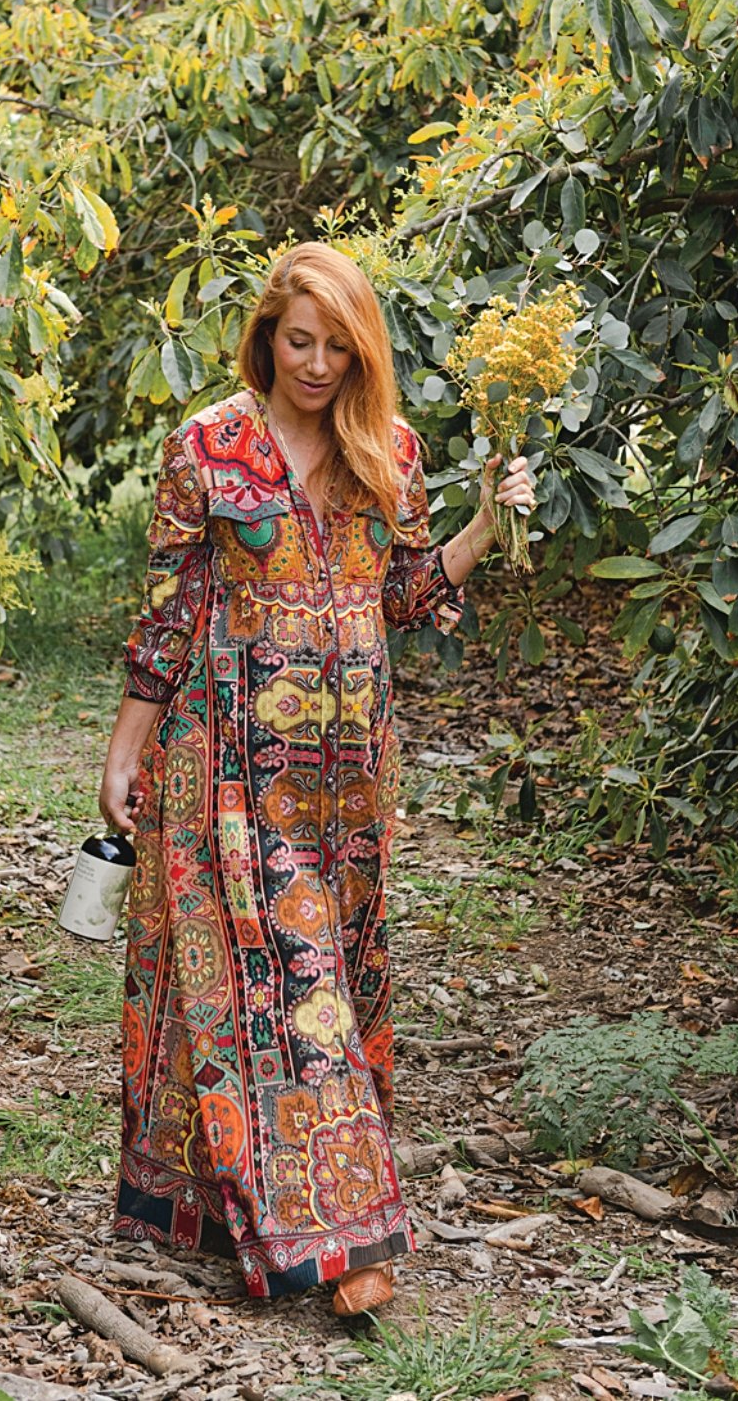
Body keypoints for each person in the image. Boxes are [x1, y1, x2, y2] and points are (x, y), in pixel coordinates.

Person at [99, 242, 534, 1315]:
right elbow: (167, 616)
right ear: (266, 332)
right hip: (223, 756)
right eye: (302, 339)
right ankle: (344, 1242)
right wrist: (123, 750)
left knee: (311, 979)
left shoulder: (387, 448)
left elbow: (404, 595)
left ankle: (209, 1201)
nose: (319, 362)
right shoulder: (206, 444)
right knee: (294, 989)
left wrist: (488, 517)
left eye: (341, 345)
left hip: (346, 781)